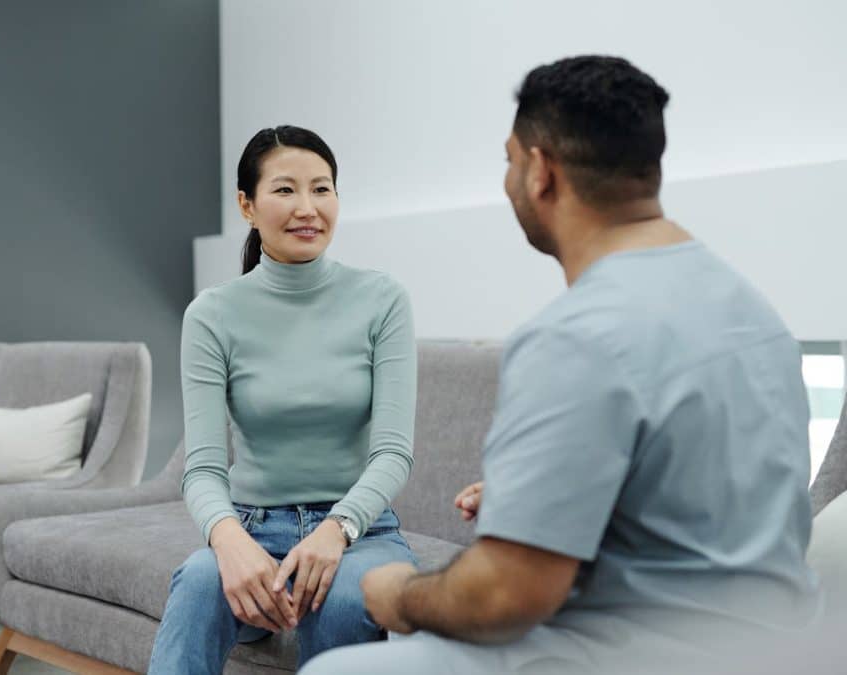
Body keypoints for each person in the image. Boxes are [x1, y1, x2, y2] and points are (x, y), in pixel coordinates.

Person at [301, 55, 821, 674]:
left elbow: (504, 596)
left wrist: (398, 595)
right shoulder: (753, 311)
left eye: (508, 160)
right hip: (781, 647)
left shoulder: (574, 336)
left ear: (540, 170)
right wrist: (544, 493)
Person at [147, 125, 419, 674]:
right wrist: (227, 541)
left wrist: (336, 529)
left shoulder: (381, 299)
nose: (307, 208)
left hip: (359, 532)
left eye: (322, 189)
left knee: (344, 599)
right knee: (199, 582)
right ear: (247, 205)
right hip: (252, 529)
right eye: (285, 190)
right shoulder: (211, 314)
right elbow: (201, 467)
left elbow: (393, 453)